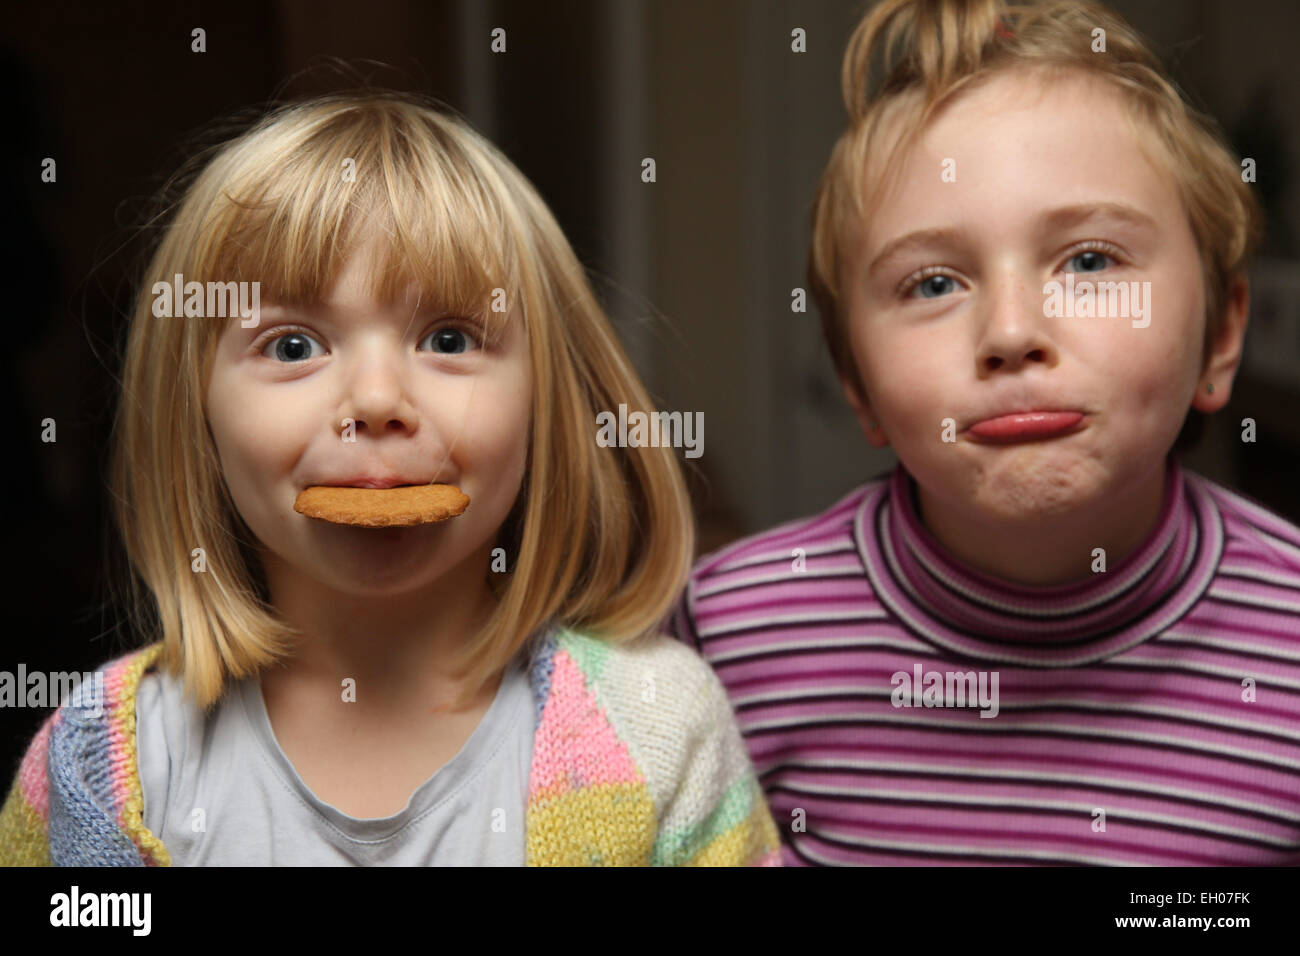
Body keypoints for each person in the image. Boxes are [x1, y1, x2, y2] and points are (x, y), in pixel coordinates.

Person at [0, 91, 781, 866]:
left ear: (549, 406)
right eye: (293, 346)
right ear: (194, 420)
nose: (376, 401)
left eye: (449, 337)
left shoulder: (661, 728)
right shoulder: (101, 764)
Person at [670, 0, 1300, 865]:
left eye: (1089, 261)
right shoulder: (722, 635)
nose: (1010, 332)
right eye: (933, 283)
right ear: (858, 384)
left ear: (1221, 339)